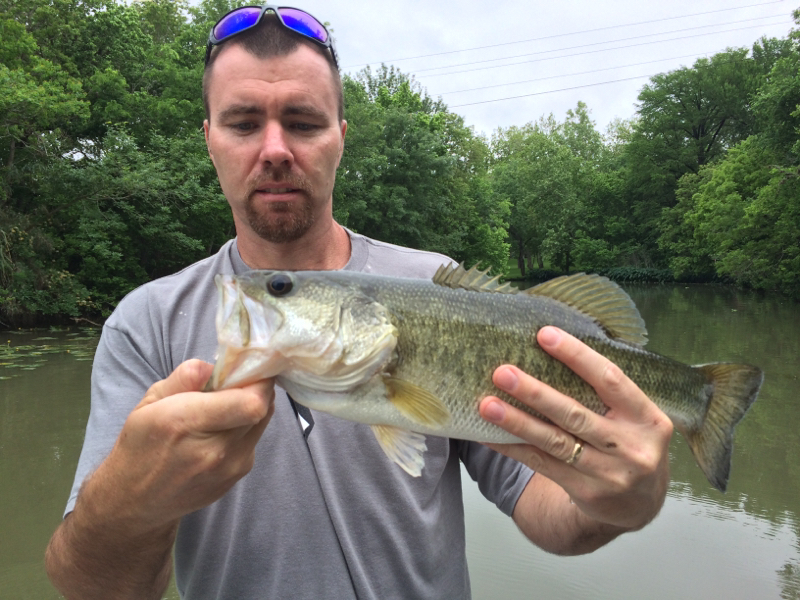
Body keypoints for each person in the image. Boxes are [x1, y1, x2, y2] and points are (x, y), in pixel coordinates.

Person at [45, 5, 672, 599]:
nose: (274, 150)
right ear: (209, 137)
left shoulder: (434, 286)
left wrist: (614, 502)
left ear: (341, 136)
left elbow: (546, 510)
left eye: (303, 121)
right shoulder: (144, 324)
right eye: (243, 123)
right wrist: (132, 496)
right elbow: (92, 588)